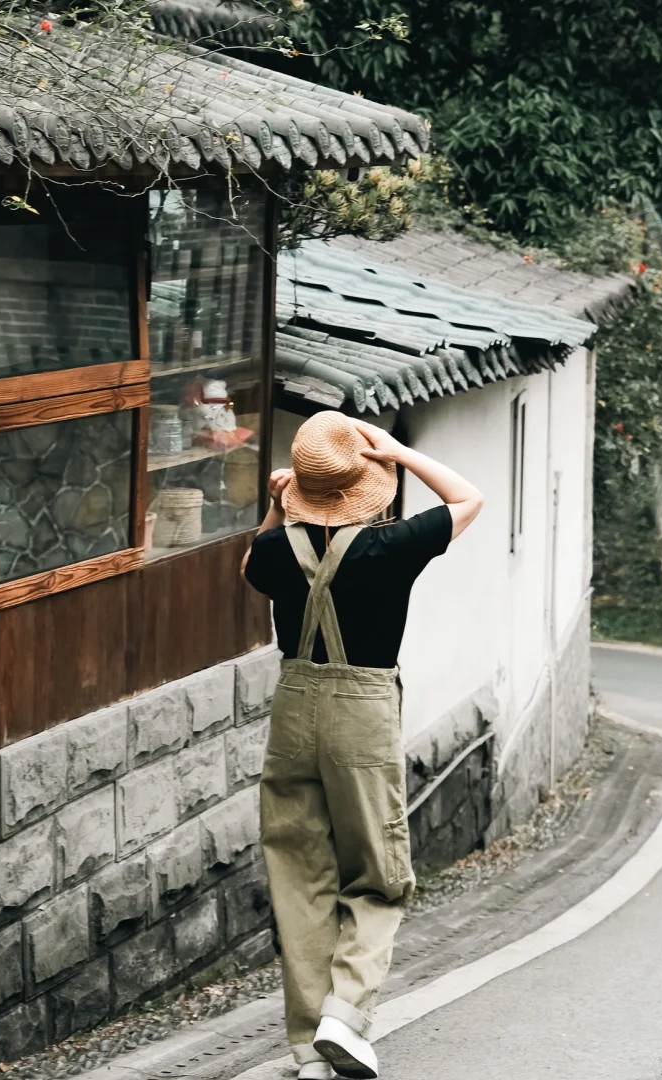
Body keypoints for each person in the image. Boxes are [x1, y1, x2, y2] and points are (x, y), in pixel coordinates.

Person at [242, 411, 483, 1079]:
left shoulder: (274, 550)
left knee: (299, 877)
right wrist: (400, 452)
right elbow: (468, 498)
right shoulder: (392, 546)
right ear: (366, 484)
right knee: (376, 876)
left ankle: (305, 1046)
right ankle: (345, 1018)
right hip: (361, 712)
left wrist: (273, 508)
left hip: (292, 714)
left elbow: (248, 565)